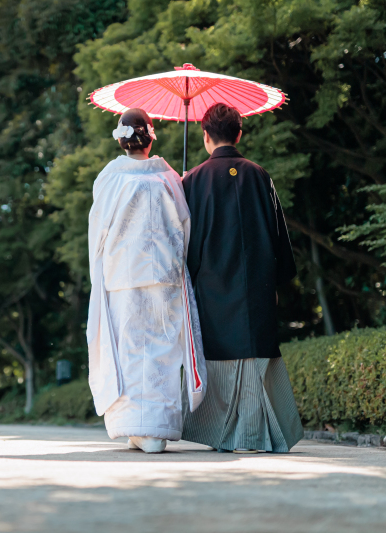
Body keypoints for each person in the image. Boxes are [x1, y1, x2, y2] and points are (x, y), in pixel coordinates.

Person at [180, 102, 304, 453]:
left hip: (212, 286)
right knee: (254, 355)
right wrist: (279, 277)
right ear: (239, 133)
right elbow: (278, 232)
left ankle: (221, 436)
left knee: (218, 358)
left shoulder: (193, 180)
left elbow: (186, 242)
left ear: (205, 135)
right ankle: (256, 434)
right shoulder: (259, 175)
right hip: (256, 285)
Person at [87, 108, 207, 454]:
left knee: (127, 349)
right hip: (164, 276)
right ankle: (155, 427)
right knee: (161, 349)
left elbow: (98, 231)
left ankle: (134, 426)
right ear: (150, 139)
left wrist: (99, 270)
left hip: (122, 277)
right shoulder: (168, 177)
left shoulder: (110, 178)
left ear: (122, 141)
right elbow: (185, 227)